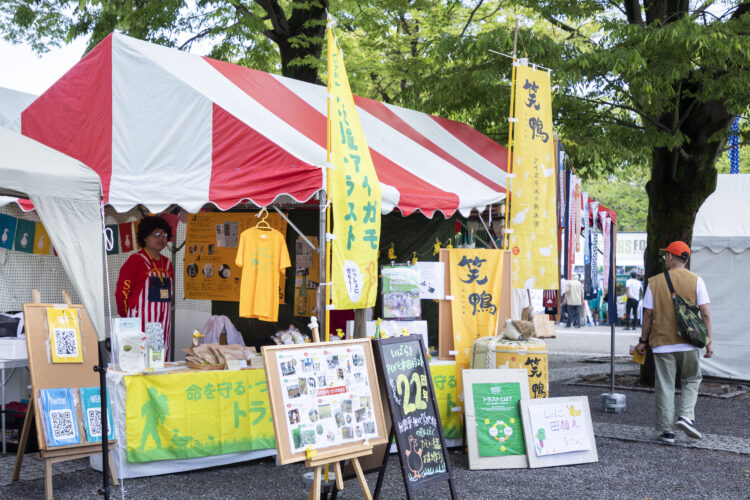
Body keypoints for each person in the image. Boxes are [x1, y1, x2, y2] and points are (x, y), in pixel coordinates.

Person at [636, 241, 713, 444]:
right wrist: (709, 342)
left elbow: (648, 314)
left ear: (670, 256)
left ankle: (667, 431)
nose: (665, 259)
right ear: (685, 260)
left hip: (662, 343)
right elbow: (705, 313)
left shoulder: (655, 282)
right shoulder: (696, 280)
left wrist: (643, 341)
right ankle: (686, 416)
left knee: (665, 385)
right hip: (689, 341)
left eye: (666, 256)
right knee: (691, 379)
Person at [116, 216, 175, 358]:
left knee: (159, 359)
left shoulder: (168, 264)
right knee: (138, 359)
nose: (161, 238)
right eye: (156, 234)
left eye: (164, 235)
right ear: (145, 236)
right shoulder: (136, 260)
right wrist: (129, 318)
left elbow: (170, 296)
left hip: (163, 324)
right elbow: (121, 293)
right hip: (139, 323)